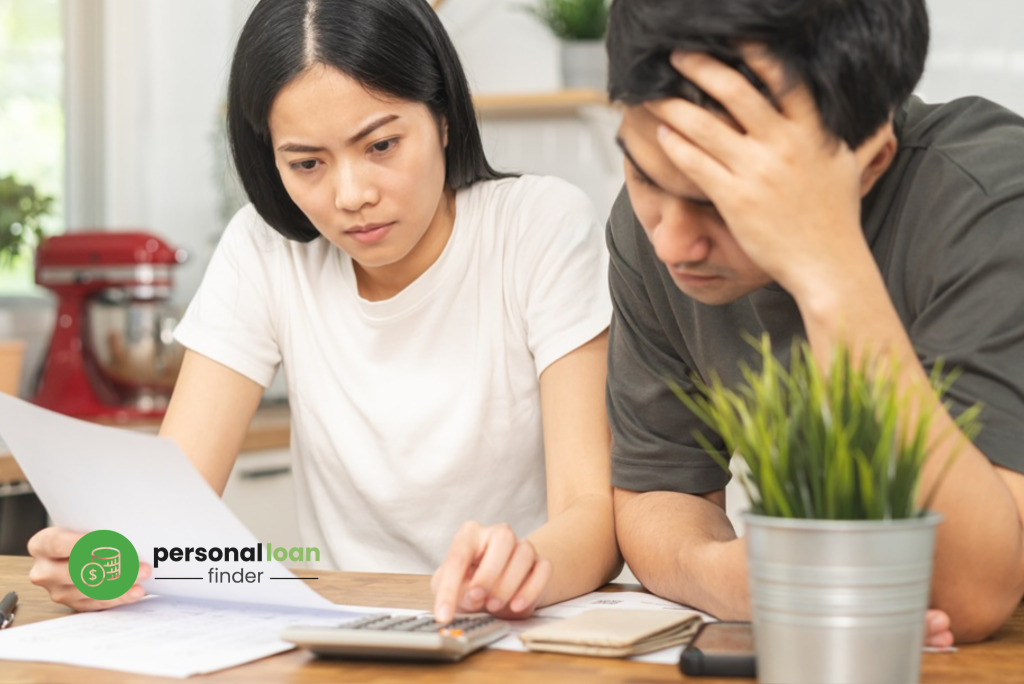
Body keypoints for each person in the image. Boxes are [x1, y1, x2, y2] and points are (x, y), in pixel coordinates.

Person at [28, 0, 620, 624]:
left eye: (382, 145)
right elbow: (173, 512)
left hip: (511, 630)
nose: (351, 195)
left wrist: (525, 566)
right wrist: (106, 559)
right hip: (343, 635)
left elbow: (594, 515)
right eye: (307, 163)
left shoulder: (538, 225)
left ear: (443, 116)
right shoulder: (264, 248)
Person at [603, 0, 1024, 644]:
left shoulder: (988, 199)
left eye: (723, 199)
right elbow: (655, 494)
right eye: (641, 171)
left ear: (870, 162)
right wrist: (731, 578)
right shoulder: (650, 226)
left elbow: (971, 591)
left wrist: (827, 268)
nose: (672, 244)